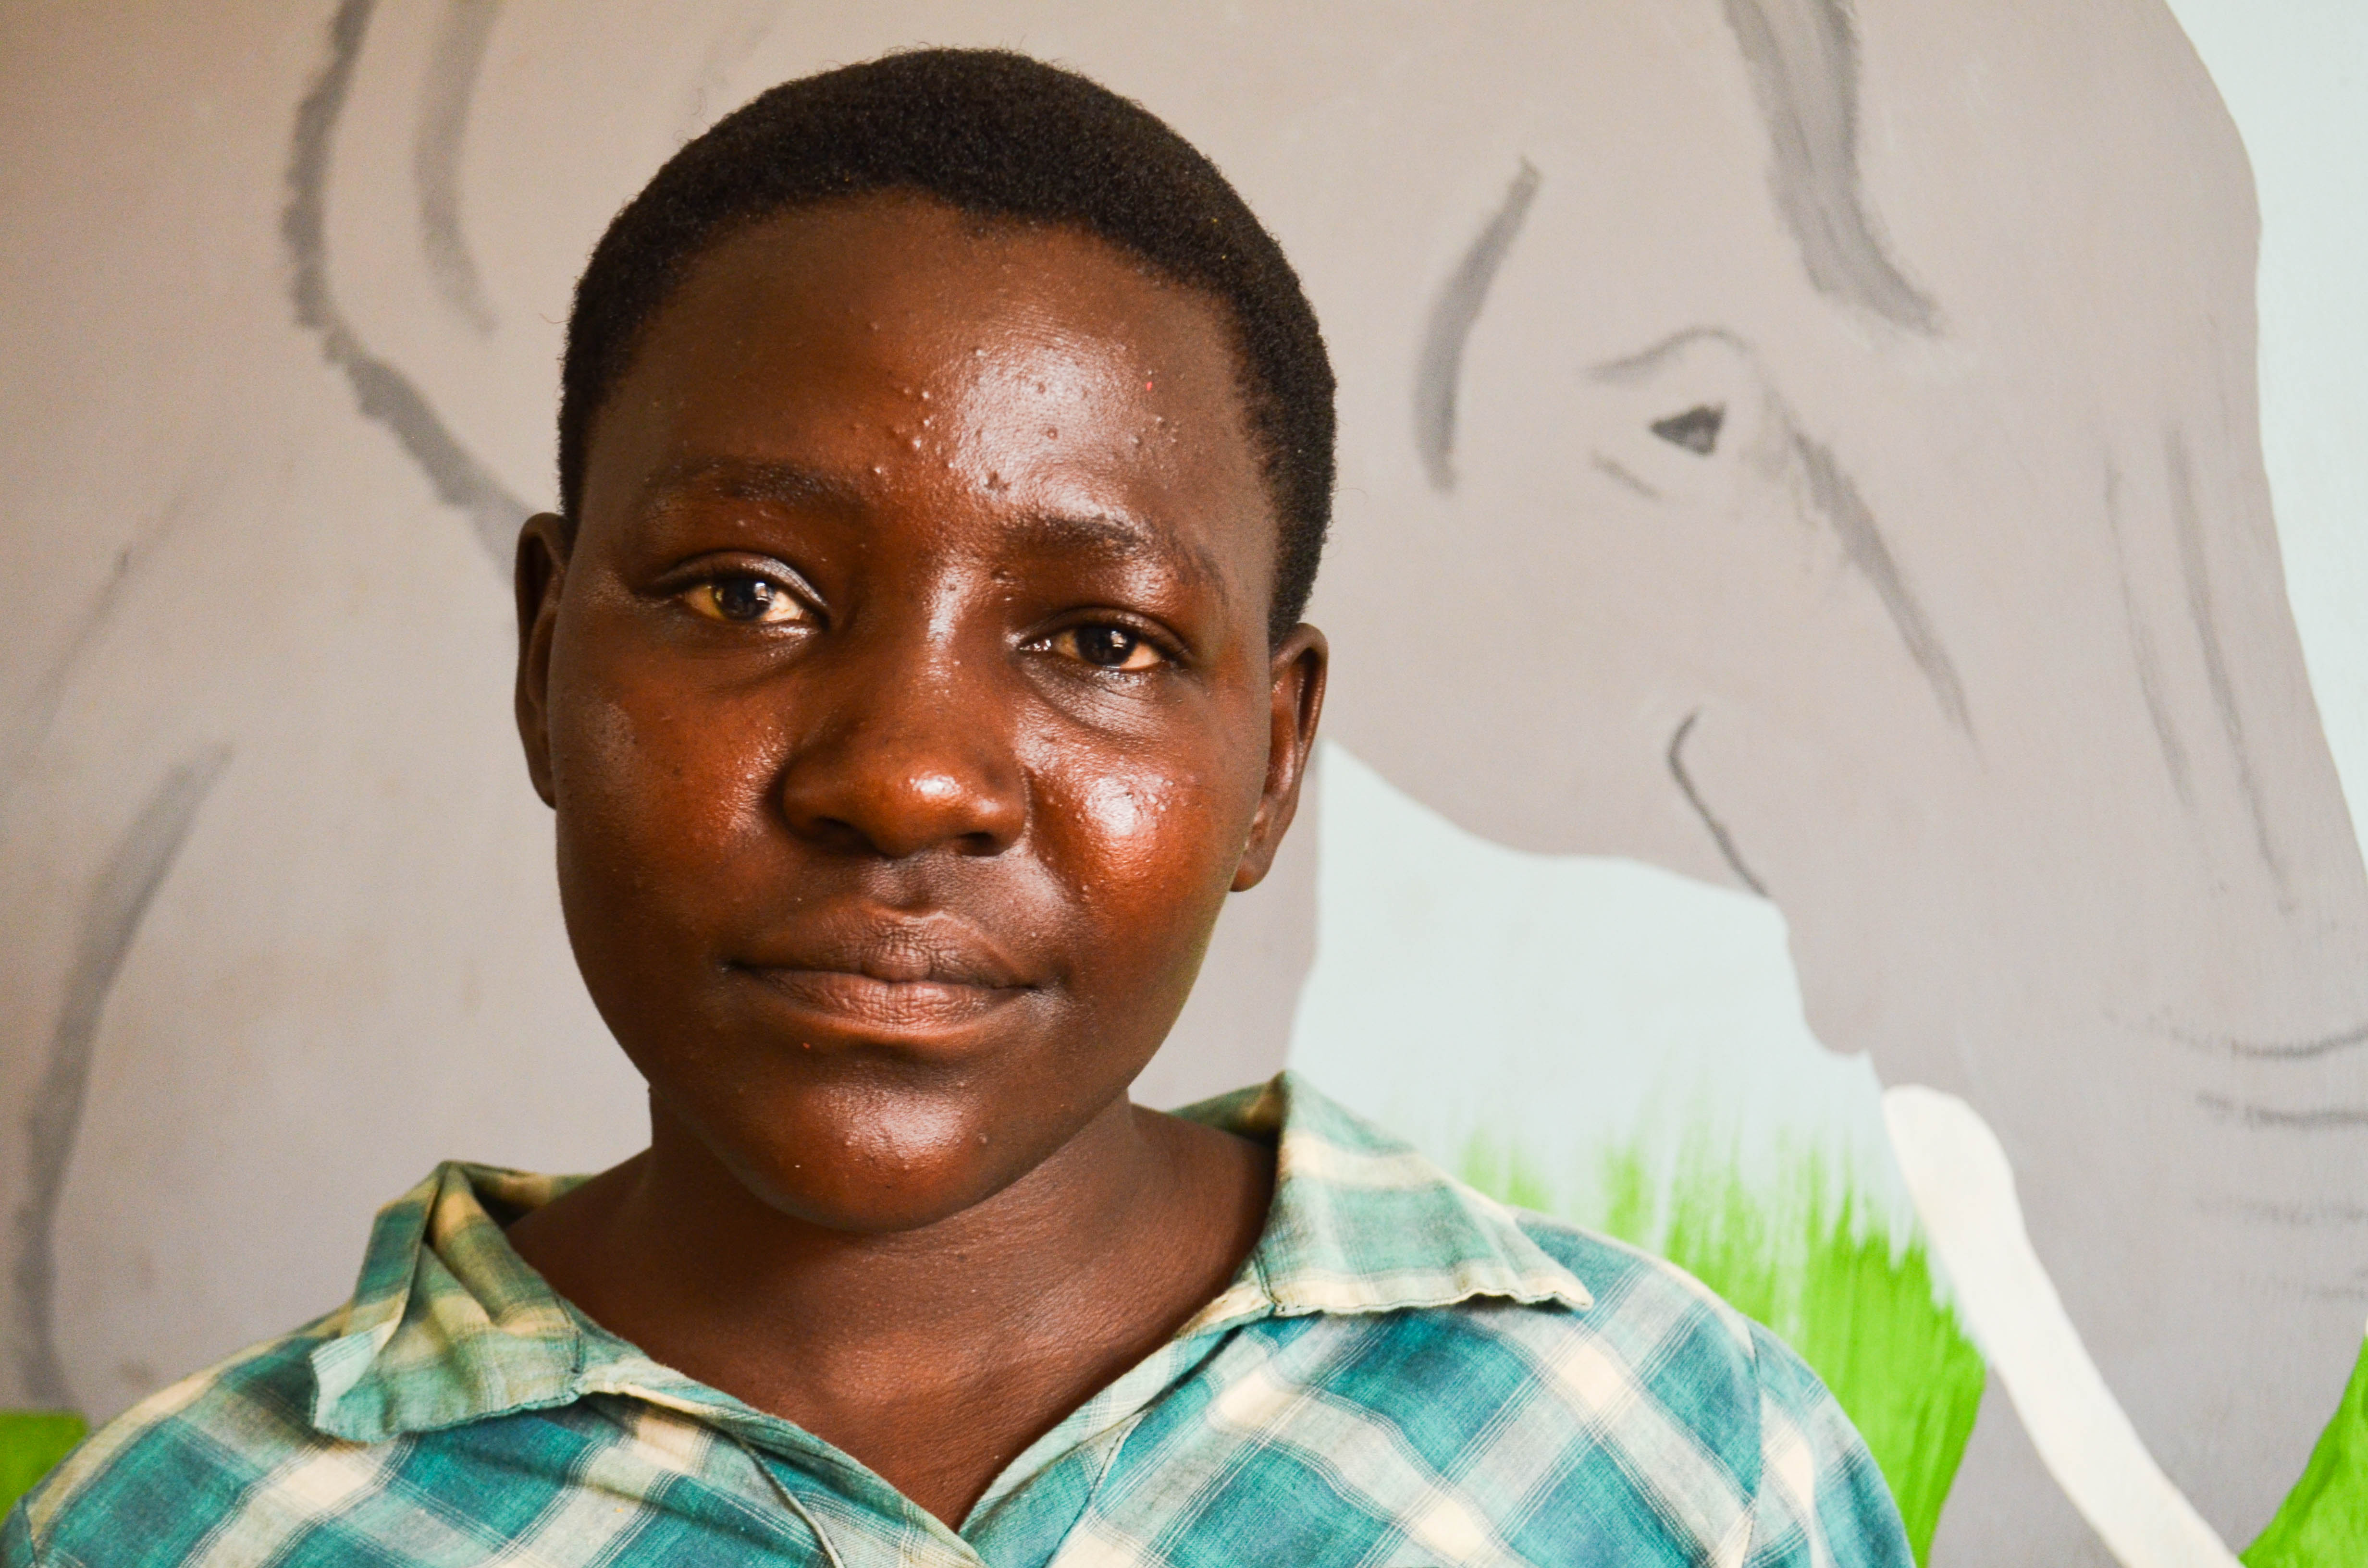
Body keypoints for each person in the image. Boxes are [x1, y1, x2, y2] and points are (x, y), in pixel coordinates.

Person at [2, 50, 1911, 1566]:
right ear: (545, 657)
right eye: (745, 594)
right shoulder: (173, 1536)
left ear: (1272, 759)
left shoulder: (1671, 1459)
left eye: (1099, 637)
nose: (908, 777)